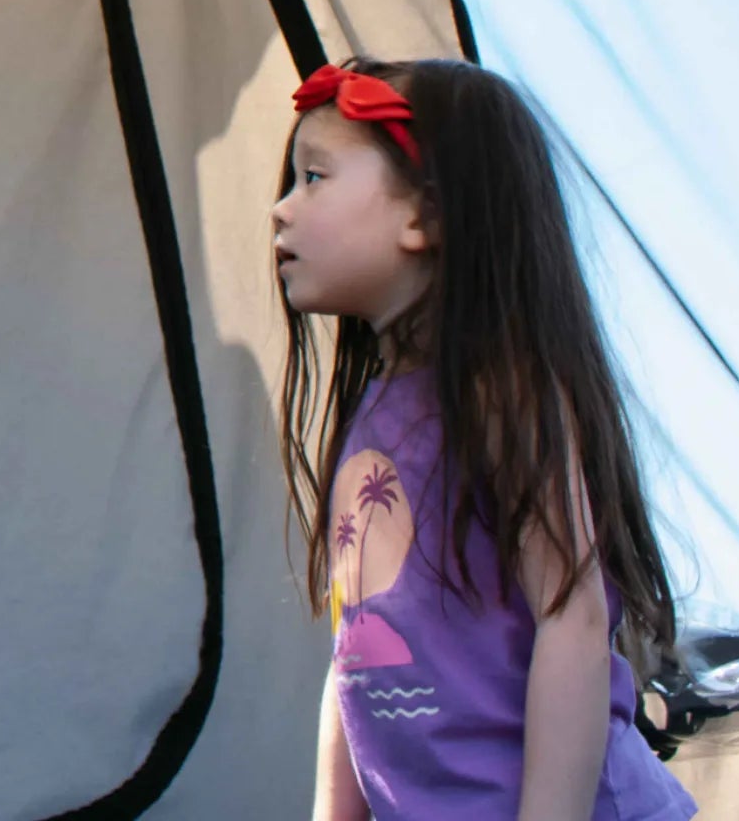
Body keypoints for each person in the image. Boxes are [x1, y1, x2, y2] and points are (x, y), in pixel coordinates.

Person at [270, 59, 696, 821]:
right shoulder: (372, 414)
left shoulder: (500, 391)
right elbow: (355, 654)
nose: (281, 209)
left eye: (314, 178)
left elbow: (575, 616)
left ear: (425, 216)